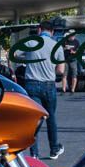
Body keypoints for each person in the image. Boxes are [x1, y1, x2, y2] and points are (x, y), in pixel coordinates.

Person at [20, 18, 64, 159]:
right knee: (51, 118)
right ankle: (54, 149)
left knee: (34, 120)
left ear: (39, 30)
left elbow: (14, 55)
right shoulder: (57, 46)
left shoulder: (31, 42)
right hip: (49, 85)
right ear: (52, 32)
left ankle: (34, 154)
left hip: (31, 83)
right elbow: (61, 70)